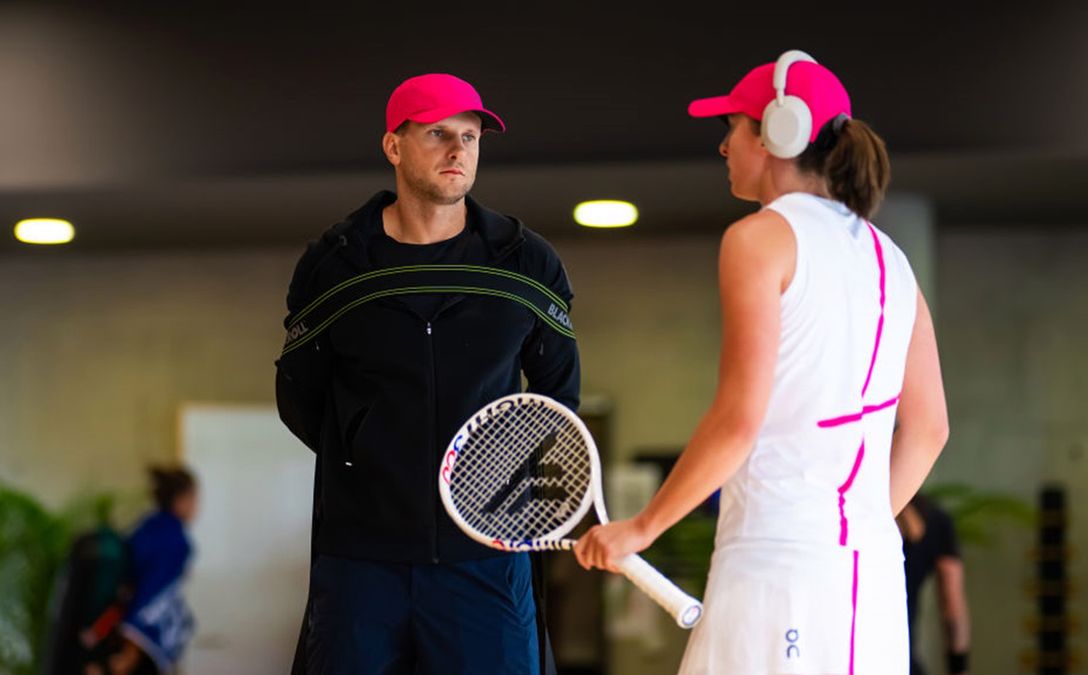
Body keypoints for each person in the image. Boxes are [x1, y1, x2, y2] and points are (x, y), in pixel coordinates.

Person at [574, 50, 949, 674]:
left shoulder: (758, 239)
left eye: (732, 128)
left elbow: (739, 419)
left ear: (778, 131)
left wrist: (642, 528)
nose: (723, 147)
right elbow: (930, 427)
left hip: (776, 569)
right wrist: (845, 531)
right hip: (872, 580)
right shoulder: (893, 261)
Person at [275, 73, 579, 674]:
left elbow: (556, 400)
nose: (458, 150)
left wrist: (493, 495)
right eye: (438, 133)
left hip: (486, 556)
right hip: (361, 556)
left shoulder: (526, 261)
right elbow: (300, 398)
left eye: (469, 137)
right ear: (394, 146)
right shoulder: (335, 263)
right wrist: (372, 456)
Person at [101, 466, 198, 675]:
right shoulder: (175, 541)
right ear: (181, 500)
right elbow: (153, 597)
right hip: (141, 647)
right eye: (194, 498)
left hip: (119, 629)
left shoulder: (148, 526)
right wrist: (131, 652)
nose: (196, 506)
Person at [899, 492, 971, 675]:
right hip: (901, 660)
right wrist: (958, 667)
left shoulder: (846, 509)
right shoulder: (935, 519)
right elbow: (952, 602)